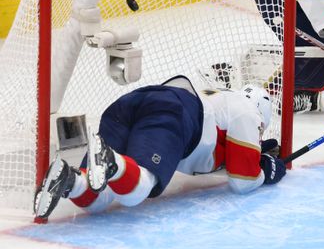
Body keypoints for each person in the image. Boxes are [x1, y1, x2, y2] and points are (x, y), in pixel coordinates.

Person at [34, 76, 286, 221]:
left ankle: (70, 180)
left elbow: (222, 157)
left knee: (100, 198)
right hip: (171, 111)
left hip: (132, 105)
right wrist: (265, 170)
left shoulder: (222, 100)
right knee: (140, 189)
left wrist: (257, 153)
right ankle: (112, 161)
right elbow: (242, 182)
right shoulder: (247, 111)